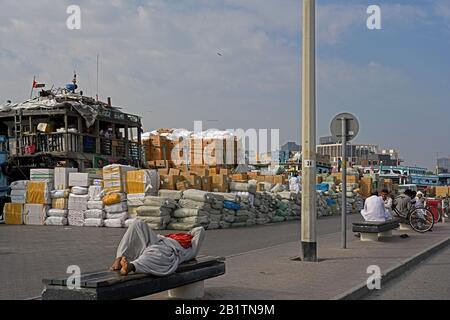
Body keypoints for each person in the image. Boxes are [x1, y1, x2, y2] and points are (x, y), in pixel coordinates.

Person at [110, 220, 205, 276]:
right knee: (138, 223)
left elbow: (200, 230)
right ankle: (119, 258)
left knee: (156, 253)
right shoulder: (176, 236)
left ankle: (132, 266)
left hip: (170, 249)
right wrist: (185, 234)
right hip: (157, 240)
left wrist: (189, 235)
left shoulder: (191, 249)